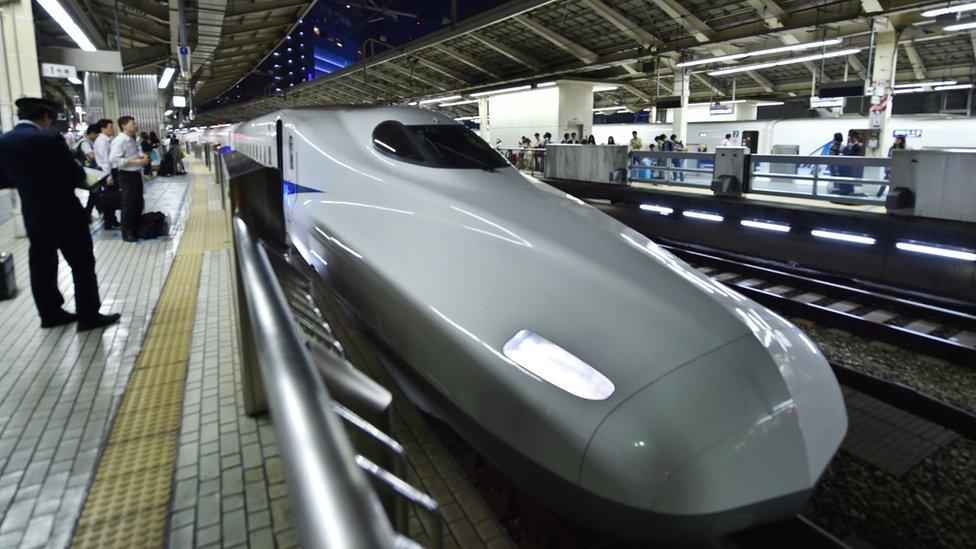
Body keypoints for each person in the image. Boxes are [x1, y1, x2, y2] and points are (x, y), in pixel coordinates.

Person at [0, 97, 120, 331]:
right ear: (46, 117)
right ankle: (88, 316)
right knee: (82, 263)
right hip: (64, 212)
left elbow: (3, 179)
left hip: (33, 213)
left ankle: (50, 314)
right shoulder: (49, 138)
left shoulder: (4, 141)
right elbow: (74, 174)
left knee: (41, 264)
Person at [110, 116, 150, 242]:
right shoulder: (119, 140)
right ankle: (126, 233)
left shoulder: (131, 139)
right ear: (123, 125)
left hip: (135, 174)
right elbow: (114, 160)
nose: (135, 125)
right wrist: (136, 161)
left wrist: (140, 157)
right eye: (132, 123)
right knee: (129, 204)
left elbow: (131, 155)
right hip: (127, 176)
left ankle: (135, 228)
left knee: (138, 203)